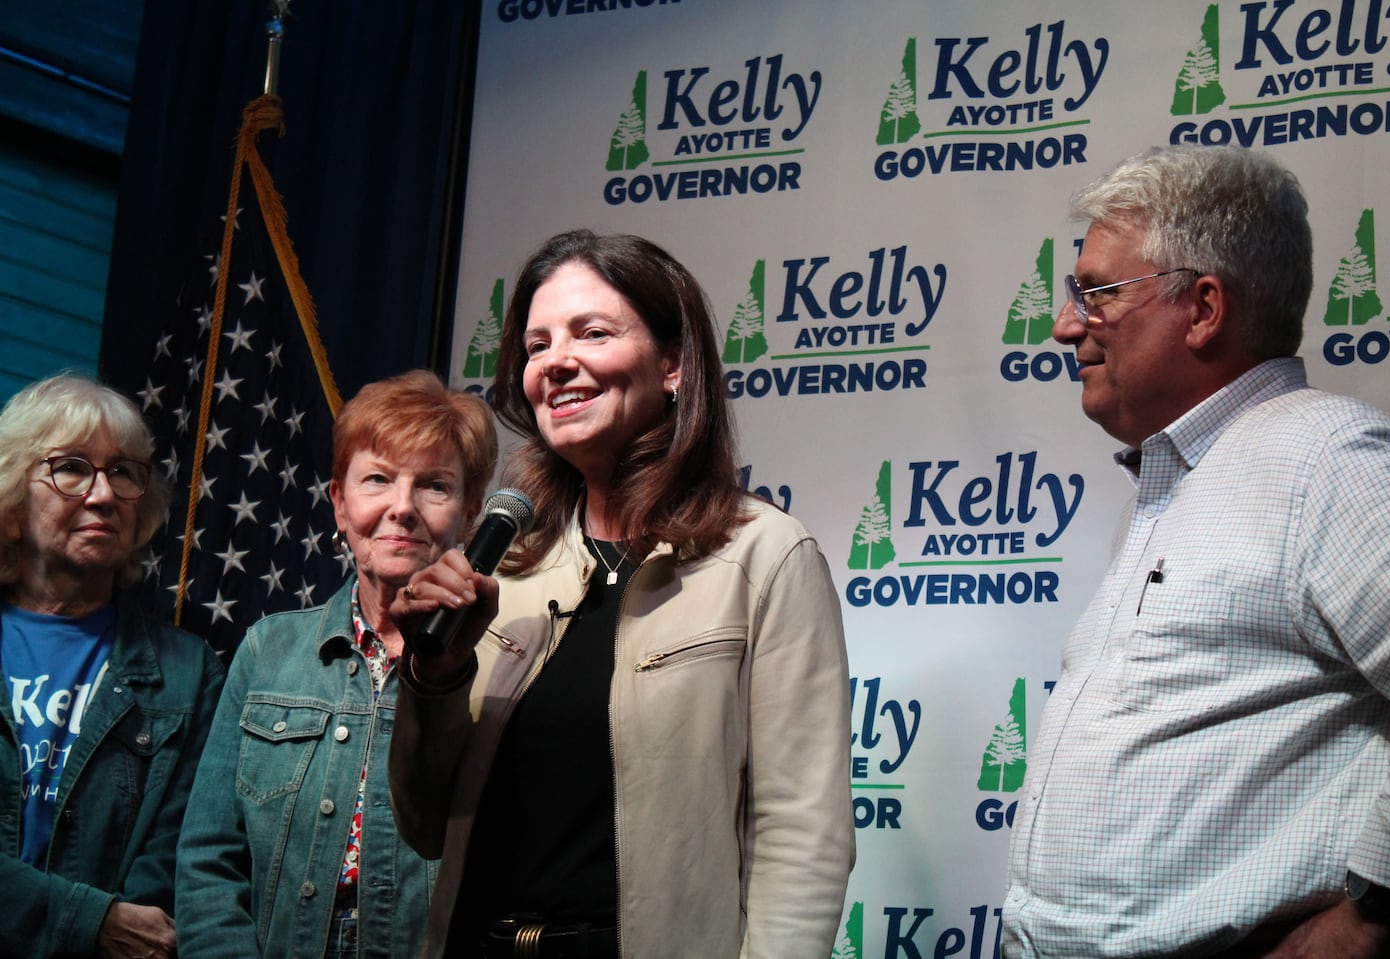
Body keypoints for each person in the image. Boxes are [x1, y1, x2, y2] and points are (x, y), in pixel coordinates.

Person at [1002, 144, 1390, 958]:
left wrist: (1377, 907)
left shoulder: (1324, 457)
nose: (1066, 325)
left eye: (1096, 294)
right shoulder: (1183, 481)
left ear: (1203, 309)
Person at [387, 229, 855, 959]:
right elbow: (422, 824)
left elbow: (803, 837)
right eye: (537, 345)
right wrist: (436, 677)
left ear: (673, 364)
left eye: (592, 332)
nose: (557, 362)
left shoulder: (766, 554)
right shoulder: (503, 562)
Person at [175, 370, 498, 958]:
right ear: (340, 505)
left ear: (470, 512)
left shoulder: (504, 665)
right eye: (377, 479)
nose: (402, 508)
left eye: (434, 486)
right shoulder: (267, 650)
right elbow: (207, 860)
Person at [0, 374, 224, 959]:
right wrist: (90, 920)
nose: (103, 495)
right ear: (10, 504)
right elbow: (116, 925)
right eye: (71, 467)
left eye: (122, 472)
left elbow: (179, 863)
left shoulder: (190, 673)